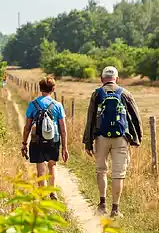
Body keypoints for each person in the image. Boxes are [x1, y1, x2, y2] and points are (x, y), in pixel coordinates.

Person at [82, 66, 143, 218]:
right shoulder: (125, 93)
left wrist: (88, 142)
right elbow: (136, 116)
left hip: (101, 137)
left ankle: (102, 205)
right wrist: (137, 138)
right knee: (118, 174)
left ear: (102, 79)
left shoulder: (97, 93)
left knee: (101, 170)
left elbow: (90, 119)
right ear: (116, 79)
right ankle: (115, 210)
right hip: (121, 138)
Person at [21, 77, 68, 200]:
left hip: (37, 140)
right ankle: (53, 191)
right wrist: (64, 147)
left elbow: (27, 127)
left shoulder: (33, 104)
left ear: (40, 88)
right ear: (53, 89)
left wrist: (24, 143)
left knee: (40, 167)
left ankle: (42, 194)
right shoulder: (58, 105)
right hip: (54, 139)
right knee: (52, 165)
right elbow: (63, 129)